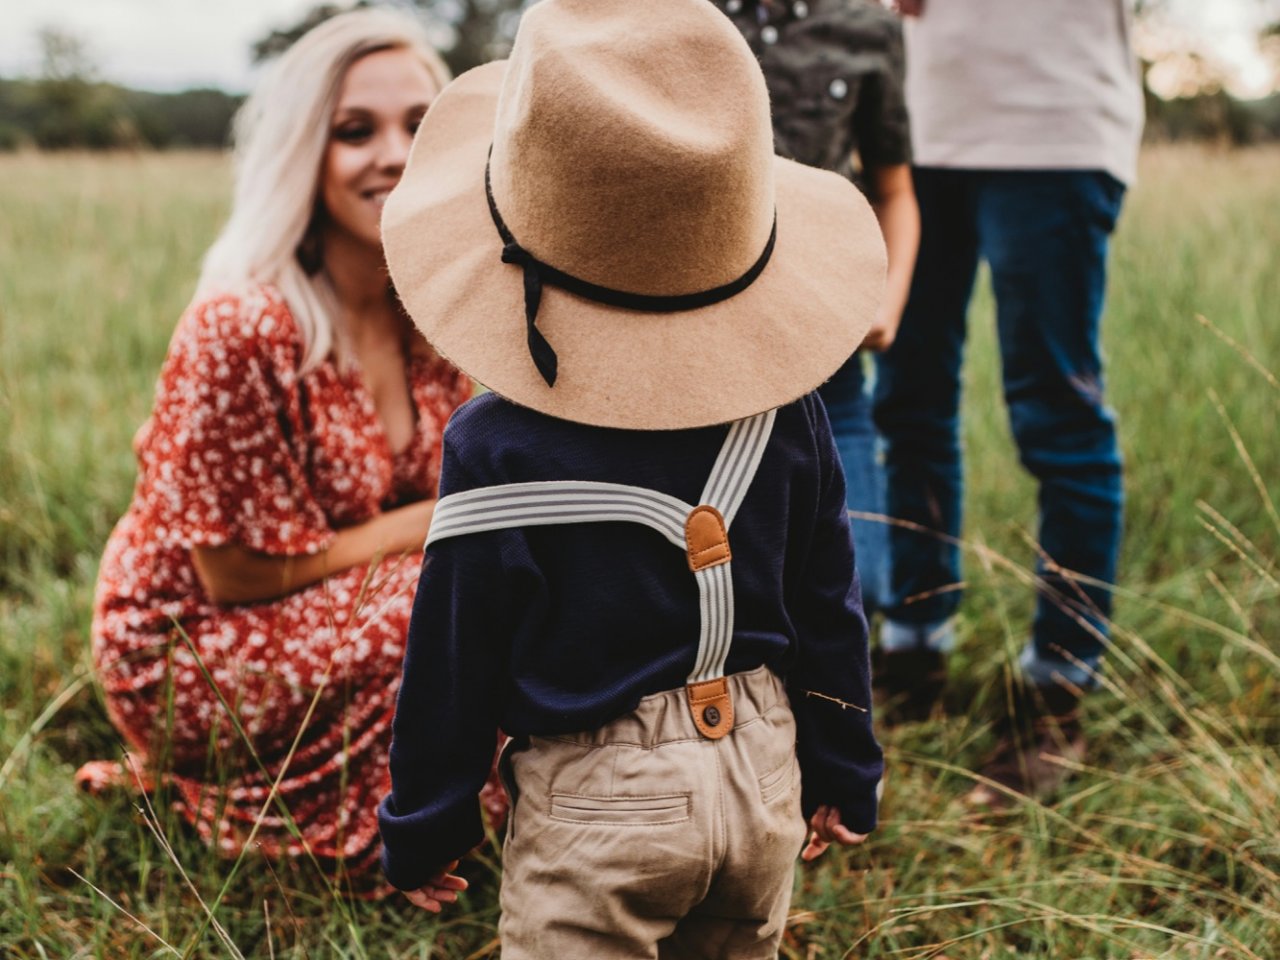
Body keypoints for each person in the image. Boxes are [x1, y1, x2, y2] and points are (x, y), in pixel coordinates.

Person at [376, 0, 886, 953]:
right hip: (764, 772)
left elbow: (455, 657)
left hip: (597, 804)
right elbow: (831, 608)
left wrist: (427, 822)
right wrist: (846, 767)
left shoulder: (494, 446)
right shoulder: (794, 409)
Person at [79, 9, 504, 882]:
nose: (394, 152)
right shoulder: (245, 323)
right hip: (195, 642)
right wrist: (445, 519)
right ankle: (321, 815)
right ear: (302, 154)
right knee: (470, 585)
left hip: (329, 599)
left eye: (421, 127)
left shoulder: (430, 309)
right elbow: (230, 574)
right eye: (356, 131)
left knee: (503, 576)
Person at [873, 0, 1145, 799]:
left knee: (1057, 415)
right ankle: (912, 652)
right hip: (911, 127)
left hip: (1054, 127)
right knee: (906, 401)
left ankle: (1057, 693)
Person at [716, 0, 919, 624]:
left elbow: (894, 190)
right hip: (701, 343)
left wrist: (887, 298)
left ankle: (846, 710)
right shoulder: (682, 15)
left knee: (851, 579)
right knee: (721, 574)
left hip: (827, 354)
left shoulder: (869, 29)